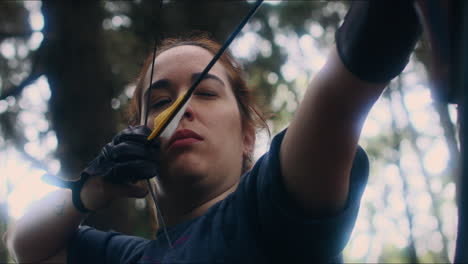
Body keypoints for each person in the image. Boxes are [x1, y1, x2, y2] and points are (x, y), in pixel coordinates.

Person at [4, 1, 422, 263]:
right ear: (139, 135)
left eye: (204, 93)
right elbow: (27, 245)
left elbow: (340, 94)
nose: (182, 109)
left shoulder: (268, 206)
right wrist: (92, 188)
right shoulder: (127, 256)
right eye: (161, 101)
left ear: (245, 135)